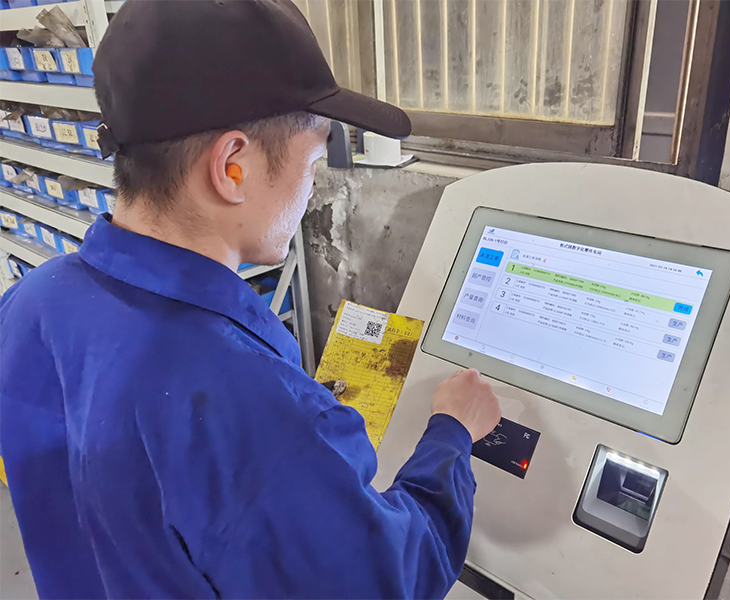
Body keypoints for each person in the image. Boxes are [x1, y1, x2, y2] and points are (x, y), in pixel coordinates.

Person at [0, 0, 502, 598]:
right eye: (312, 163)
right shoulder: (256, 413)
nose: (311, 191)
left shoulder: (31, 301)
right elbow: (393, 576)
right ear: (232, 168)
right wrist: (452, 432)